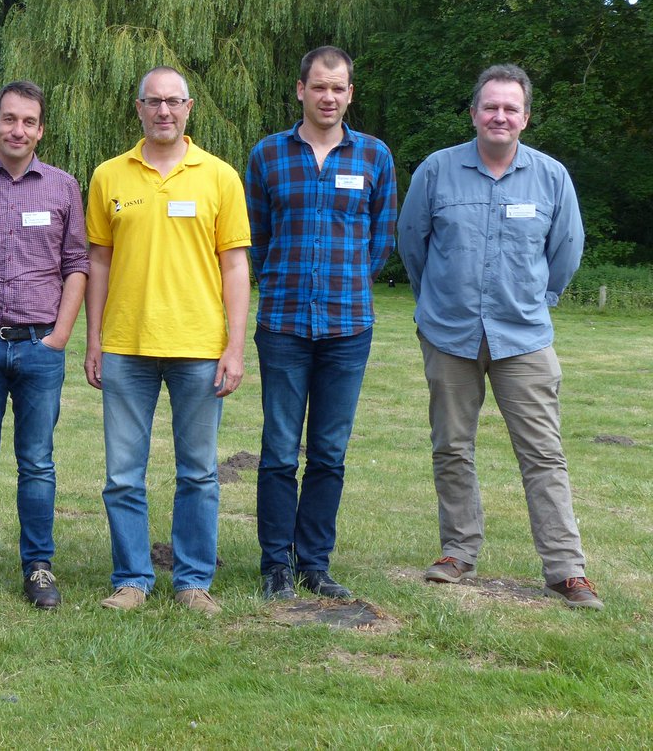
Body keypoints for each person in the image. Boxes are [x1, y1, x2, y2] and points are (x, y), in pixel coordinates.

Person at [397, 63, 602, 610]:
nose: (500, 116)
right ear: (473, 113)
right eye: (490, 106)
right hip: (450, 334)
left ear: (525, 118)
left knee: (544, 454)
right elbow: (413, 243)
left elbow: (566, 251)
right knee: (451, 447)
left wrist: (536, 300)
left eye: (511, 108)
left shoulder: (551, 177)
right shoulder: (437, 171)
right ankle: (457, 552)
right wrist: (437, 300)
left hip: (524, 337)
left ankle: (566, 570)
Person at [84, 66, 250, 615]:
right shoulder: (109, 176)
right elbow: (98, 261)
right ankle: (132, 579)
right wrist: (94, 340)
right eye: (153, 101)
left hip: (199, 346)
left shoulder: (220, 177)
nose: (163, 111)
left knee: (198, 473)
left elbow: (235, 266)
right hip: (126, 344)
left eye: (173, 101)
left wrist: (234, 347)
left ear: (189, 108)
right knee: (122, 475)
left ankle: (193, 581)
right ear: (138, 108)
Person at [245, 46, 398, 601]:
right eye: (319, 87)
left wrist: (348, 281)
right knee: (279, 451)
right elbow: (256, 237)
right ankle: (275, 566)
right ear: (301, 90)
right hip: (283, 324)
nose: (328, 97)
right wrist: (281, 278)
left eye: (338, 88)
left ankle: (314, 563)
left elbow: (381, 238)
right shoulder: (267, 155)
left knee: (329, 453)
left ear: (350, 94)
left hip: (348, 326)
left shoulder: (374, 156)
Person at [0, 80, 87, 609]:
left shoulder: (64, 187)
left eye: (28, 121)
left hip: (39, 347)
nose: (17, 130)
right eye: (9, 119)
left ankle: (39, 567)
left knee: (38, 463)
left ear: (41, 130)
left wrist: (60, 337)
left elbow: (77, 264)